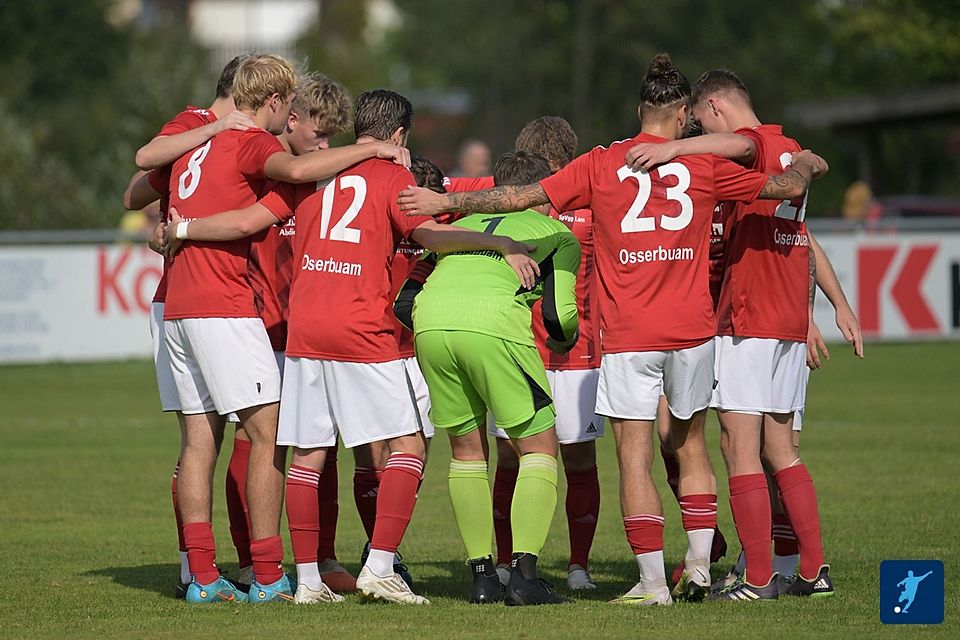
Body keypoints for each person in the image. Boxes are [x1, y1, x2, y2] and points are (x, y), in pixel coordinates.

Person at [396, 52, 828, 606]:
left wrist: (447, 200)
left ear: (638, 109)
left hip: (628, 335)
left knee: (634, 457)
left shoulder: (602, 163)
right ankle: (697, 566)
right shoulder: (703, 165)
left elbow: (521, 196)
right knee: (693, 448)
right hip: (693, 330)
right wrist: (808, 165)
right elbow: (783, 186)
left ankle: (652, 584)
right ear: (681, 117)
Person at [164, 89, 540, 605]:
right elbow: (429, 234)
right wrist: (499, 242)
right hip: (361, 327)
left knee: (308, 453)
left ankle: (309, 581)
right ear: (399, 135)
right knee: (409, 444)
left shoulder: (316, 171)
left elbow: (249, 221)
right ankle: (381, 565)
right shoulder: (392, 175)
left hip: (304, 329)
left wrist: (179, 229)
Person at [395, 150, 580, 606]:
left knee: (466, 452)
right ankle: (525, 577)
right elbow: (559, 317)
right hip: (493, 325)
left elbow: (404, 301)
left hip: (431, 324)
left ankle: (481, 577)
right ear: (541, 196)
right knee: (539, 447)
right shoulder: (558, 232)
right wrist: (561, 341)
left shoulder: (461, 224)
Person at [122, 54, 260, 598]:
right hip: (193, 298)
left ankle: (204, 566)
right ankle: (202, 564)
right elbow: (138, 181)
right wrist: (215, 128)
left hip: (197, 299)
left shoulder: (231, 139)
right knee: (207, 437)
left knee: (207, 437)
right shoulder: (198, 121)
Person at [483, 117, 603, 592]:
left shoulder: (586, 209)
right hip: (568, 352)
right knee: (575, 461)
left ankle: (513, 564)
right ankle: (576, 568)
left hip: (528, 351)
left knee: (514, 460)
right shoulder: (580, 209)